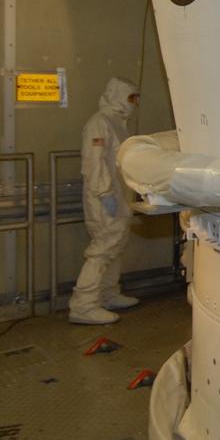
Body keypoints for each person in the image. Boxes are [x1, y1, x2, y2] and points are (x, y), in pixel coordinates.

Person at [69, 77, 141, 325]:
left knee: (116, 245)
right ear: (118, 95)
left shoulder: (118, 123)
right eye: (131, 97)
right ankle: (83, 305)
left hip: (120, 195)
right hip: (105, 197)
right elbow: (93, 162)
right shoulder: (99, 123)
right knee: (102, 249)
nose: (134, 103)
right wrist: (104, 193)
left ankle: (108, 294)